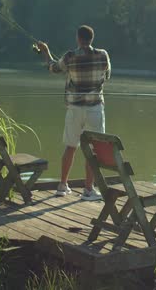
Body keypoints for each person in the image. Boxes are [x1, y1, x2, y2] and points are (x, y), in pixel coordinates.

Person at [37, 25, 110, 201]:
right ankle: (88, 189)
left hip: (75, 109)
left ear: (78, 38)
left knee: (70, 146)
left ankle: (62, 186)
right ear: (91, 39)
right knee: (92, 151)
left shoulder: (70, 56)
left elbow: (53, 68)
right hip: (95, 109)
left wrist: (45, 51)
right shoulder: (103, 55)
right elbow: (106, 76)